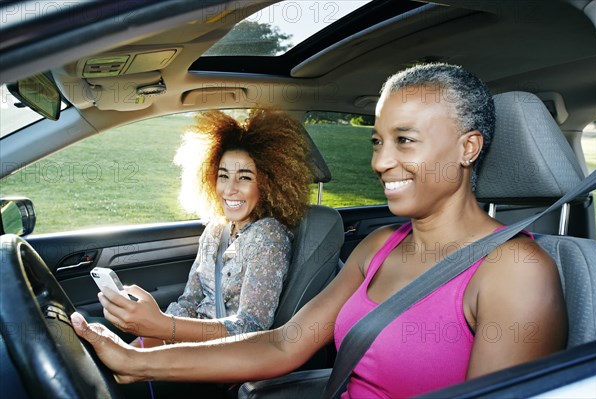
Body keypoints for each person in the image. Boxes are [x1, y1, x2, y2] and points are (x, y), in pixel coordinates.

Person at [72, 63, 567, 398]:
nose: (380, 161)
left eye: (404, 141)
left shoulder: (515, 272)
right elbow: (283, 344)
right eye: (376, 140)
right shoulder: (377, 247)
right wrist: (136, 360)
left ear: (468, 148)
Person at [98, 109, 314, 348]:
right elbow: (189, 302)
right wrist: (150, 335)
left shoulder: (268, 235)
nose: (229, 189)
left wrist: (162, 326)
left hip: (223, 357)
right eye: (223, 176)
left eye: (244, 178)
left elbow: (251, 328)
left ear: (268, 183)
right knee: (106, 345)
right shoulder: (215, 229)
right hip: (187, 344)